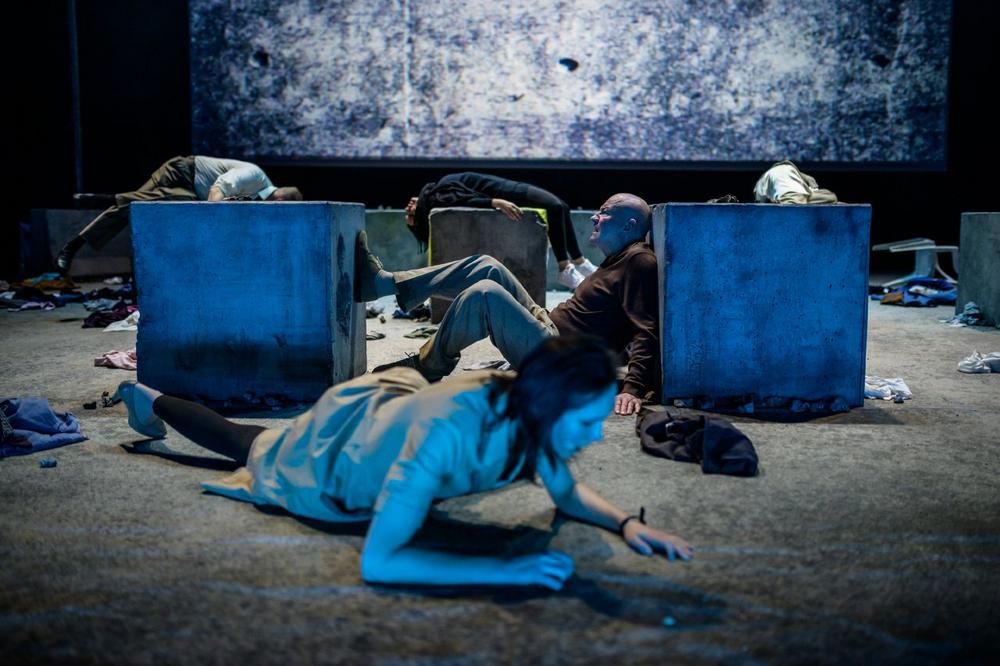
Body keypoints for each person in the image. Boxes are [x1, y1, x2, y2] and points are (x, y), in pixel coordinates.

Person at [114, 336, 693, 588]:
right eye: (586, 420)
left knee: (256, 436)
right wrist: (501, 570)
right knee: (252, 443)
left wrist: (626, 522)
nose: (598, 433)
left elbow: (564, 494)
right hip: (334, 459)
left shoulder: (531, 410)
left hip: (395, 408)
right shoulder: (447, 435)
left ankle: (152, 398)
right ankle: (146, 396)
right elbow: (381, 562)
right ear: (548, 406)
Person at [361, 193, 658, 416]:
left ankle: (428, 366)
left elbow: (647, 329)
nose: (594, 217)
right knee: (486, 266)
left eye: (605, 213)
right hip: (548, 327)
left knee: (486, 293)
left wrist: (633, 388)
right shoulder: (621, 258)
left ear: (629, 225)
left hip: (557, 357)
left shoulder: (639, 261)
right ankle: (386, 284)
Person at [55, 155, 303, 274]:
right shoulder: (255, 176)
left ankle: (105, 201)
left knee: (136, 208)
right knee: (138, 209)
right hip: (182, 173)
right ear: (280, 200)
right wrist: (213, 225)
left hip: (192, 192)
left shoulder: (260, 202)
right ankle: (74, 244)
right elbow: (218, 189)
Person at [404, 172, 598, 289]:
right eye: (410, 210)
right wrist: (495, 202)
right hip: (507, 192)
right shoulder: (437, 197)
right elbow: (465, 201)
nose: (410, 204)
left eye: (410, 205)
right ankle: (565, 268)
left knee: (562, 206)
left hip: (506, 187)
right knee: (555, 206)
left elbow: (460, 197)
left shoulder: (434, 192)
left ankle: (579, 262)